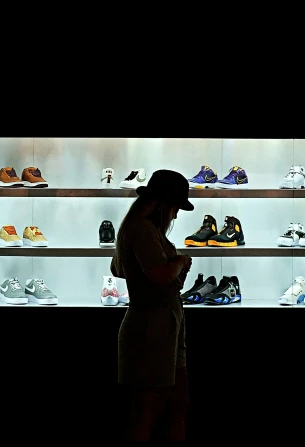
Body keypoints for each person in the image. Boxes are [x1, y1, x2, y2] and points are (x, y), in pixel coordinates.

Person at [110, 169, 194, 443]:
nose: (176, 214)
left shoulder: (135, 227)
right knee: (149, 409)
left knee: (171, 403)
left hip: (158, 322)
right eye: (175, 207)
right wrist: (180, 262)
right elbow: (160, 275)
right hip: (152, 326)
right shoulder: (144, 230)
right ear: (164, 204)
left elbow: (119, 269)